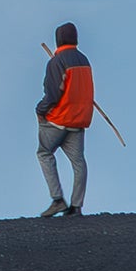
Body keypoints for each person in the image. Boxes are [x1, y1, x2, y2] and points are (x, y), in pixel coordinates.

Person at [36, 22, 93, 217]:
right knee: (79, 162)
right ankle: (76, 206)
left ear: (58, 39)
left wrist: (40, 110)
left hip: (59, 119)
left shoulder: (56, 61)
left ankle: (58, 199)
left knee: (44, 153)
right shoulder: (84, 60)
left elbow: (53, 94)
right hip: (79, 120)